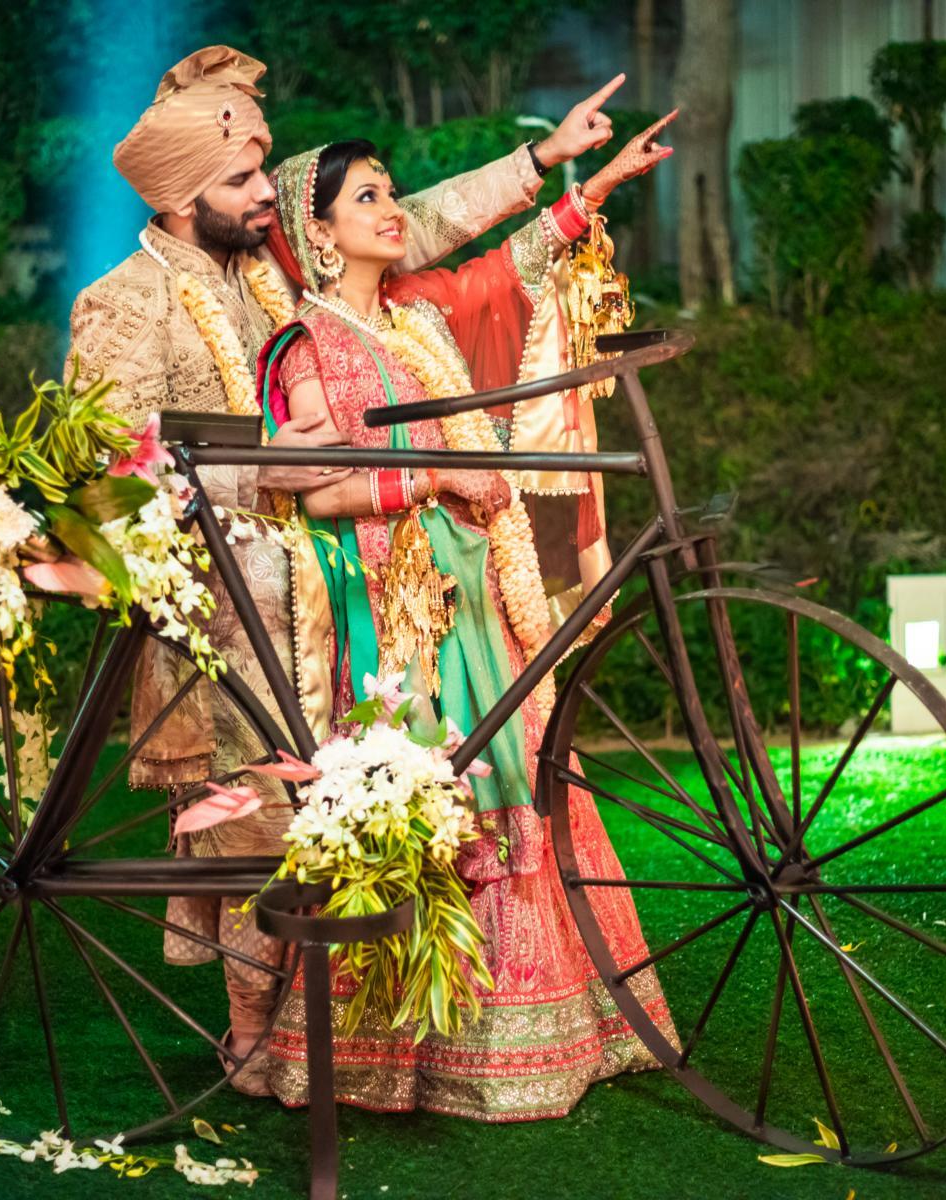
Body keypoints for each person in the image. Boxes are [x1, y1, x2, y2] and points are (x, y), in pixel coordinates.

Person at [65, 44, 631, 1094]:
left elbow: (417, 222)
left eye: (263, 176)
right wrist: (270, 469)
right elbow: (110, 470)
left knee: (326, 822)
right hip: (226, 602)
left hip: (326, 594)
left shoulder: (264, 284)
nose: (263, 198)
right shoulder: (125, 301)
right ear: (187, 196)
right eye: (244, 181)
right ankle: (254, 1038)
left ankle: (312, 1030)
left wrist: (542, 161)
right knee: (259, 825)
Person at [250, 115, 680, 1121]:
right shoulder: (304, 347)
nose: (391, 208)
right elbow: (310, 493)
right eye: (365, 198)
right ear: (318, 234)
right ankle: (405, 1057)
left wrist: (593, 187)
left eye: (389, 190)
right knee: (442, 799)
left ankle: (549, 1034)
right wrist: (435, 477)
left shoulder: (414, 319)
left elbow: (507, 275)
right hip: (395, 620)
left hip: (475, 590)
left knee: (520, 776)